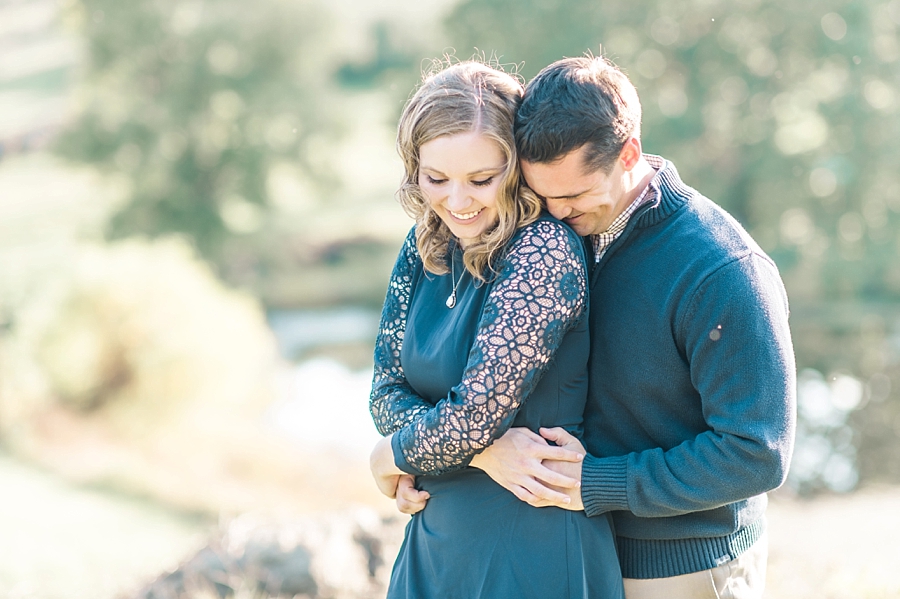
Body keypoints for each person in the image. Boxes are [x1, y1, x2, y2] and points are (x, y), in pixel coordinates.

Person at [464, 55, 797, 599]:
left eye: (572, 196)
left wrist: (596, 483)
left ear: (629, 154)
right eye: (542, 195)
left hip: (682, 566)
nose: (555, 212)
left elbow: (757, 451)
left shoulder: (721, 269)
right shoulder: (548, 235)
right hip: (567, 552)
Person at [367, 60, 624, 599]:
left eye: (482, 180)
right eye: (436, 179)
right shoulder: (425, 247)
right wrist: (484, 451)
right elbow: (385, 395)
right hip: (436, 547)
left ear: (518, 167)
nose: (457, 202)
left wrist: (389, 455)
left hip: (530, 546)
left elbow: (476, 416)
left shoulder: (543, 251)